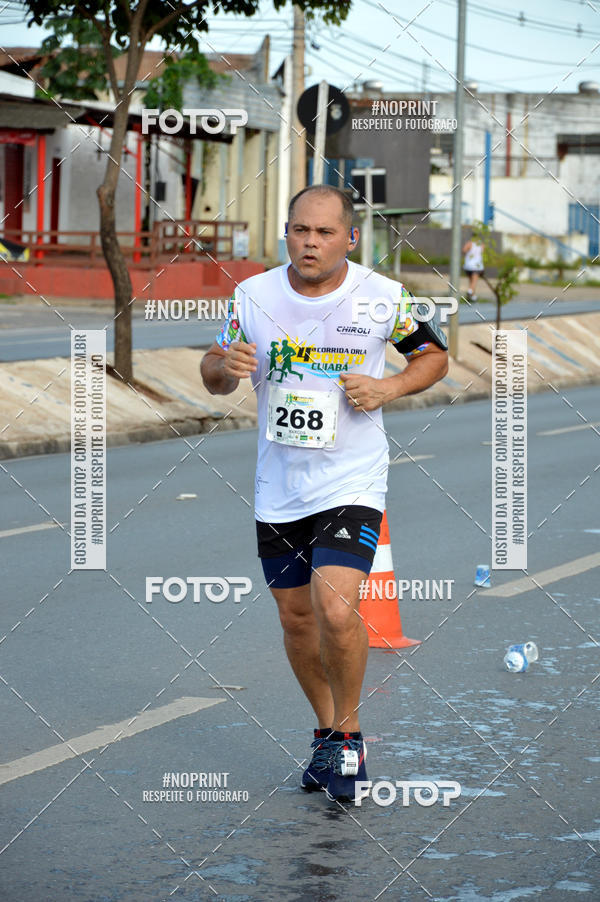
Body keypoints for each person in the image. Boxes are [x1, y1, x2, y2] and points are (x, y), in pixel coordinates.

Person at [200, 185, 448, 803]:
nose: (310, 242)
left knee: (336, 610)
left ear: (350, 238)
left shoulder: (384, 297)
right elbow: (212, 371)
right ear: (287, 233)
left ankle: (350, 735)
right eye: (300, 230)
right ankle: (327, 731)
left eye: (324, 232)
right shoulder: (253, 296)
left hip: (352, 479)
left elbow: (434, 357)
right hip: (279, 486)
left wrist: (390, 387)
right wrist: (223, 367)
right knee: (296, 618)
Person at [462, 234, 485, 301]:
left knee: (471, 281)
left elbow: (464, 250)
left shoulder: (469, 243)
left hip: (468, 265)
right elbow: (483, 252)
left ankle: (473, 296)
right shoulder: (482, 244)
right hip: (477, 265)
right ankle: (469, 291)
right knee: (474, 281)